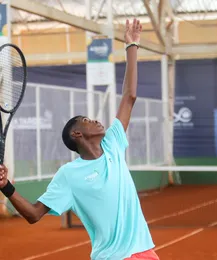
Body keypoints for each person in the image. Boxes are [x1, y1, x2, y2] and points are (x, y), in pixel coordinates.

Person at [0, 19, 159, 260]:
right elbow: (33, 214)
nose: (94, 120)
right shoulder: (69, 174)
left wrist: (132, 45)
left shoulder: (113, 144)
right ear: (77, 134)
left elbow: (130, 96)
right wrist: (5, 187)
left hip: (145, 252)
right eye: (86, 119)